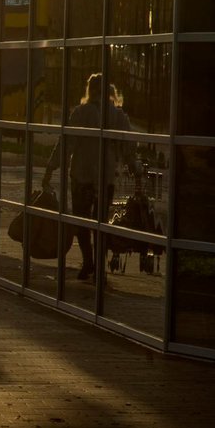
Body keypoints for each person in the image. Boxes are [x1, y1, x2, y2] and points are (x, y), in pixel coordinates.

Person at [42, 73, 136, 281]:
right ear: (110, 92)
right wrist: (136, 171)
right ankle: (98, 267)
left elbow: (66, 144)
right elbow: (129, 149)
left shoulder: (82, 113)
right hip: (106, 178)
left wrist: (51, 167)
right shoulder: (119, 117)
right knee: (100, 223)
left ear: (90, 90)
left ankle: (88, 262)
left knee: (81, 221)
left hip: (82, 176)